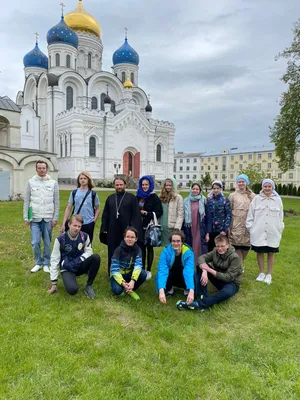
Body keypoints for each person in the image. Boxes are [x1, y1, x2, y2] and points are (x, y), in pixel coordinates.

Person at [176, 234, 242, 311]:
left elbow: (228, 277)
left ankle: (198, 304)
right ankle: (202, 295)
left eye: (222, 246)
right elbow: (201, 258)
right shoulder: (215, 251)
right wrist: (204, 271)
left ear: (228, 245)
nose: (220, 248)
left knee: (226, 293)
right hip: (218, 278)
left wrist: (209, 270)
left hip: (231, 282)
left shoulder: (235, 257)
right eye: (218, 246)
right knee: (200, 266)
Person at [48, 214, 100, 298]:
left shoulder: (85, 237)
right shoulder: (60, 239)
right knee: (72, 290)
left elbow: (89, 252)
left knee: (96, 257)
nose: (77, 228)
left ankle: (89, 286)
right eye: (75, 225)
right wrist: (54, 283)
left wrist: (80, 259)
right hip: (67, 268)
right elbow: (54, 260)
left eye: (79, 226)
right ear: (69, 224)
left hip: (79, 264)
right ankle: (69, 279)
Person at [23, 160, 59, 273]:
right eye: (39, 168)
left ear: (46, 169)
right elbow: (27, 201)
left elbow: (56, 202)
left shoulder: (53, 183)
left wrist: (55, 218)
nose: (42, 170)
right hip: (35, 218)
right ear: (36, 169)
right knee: (35, 242)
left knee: (47, 242)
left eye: (43, 168)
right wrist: (26, 217)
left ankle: (46, 263)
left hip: (48, 218)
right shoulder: (31, 182)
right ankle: (38, 262)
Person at [100, 177, 142, 274]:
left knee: (127, 251)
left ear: (125, 185)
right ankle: (112, 272)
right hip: (112, 230)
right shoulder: (110, 198)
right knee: (112, 251)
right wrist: (104, 229)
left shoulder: (131, 198)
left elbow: (136, 215)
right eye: (117, 185)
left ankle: (127, 272)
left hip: (127, 231)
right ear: (114, 186)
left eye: (121, 185)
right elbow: (105, 215)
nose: (119, 187)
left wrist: (133, 229)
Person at [246, 179, 284, 285]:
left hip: (272, 232)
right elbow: (251, 214)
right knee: (260, 252)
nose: (267, 188)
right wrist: (251, 228)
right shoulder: (257, 199)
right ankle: (262, 273)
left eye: (269, 186)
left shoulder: (278, 200)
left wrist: (280, 228)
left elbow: (281, 216)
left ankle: (269, 274)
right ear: (262, 187)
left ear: (272, 188)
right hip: (259, 231)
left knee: (271, 253)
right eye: (265, 186)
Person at [156, 230, 195, 305]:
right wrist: (161, 290)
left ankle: (186, 288)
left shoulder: (189, 253)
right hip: (171, 276)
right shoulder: (165, 252)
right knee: (160, 274)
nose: (176, 243)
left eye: (178, 241)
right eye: (173, 241)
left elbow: (189, 271)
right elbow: (162, 270)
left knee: (192, 275)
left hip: (182, 276)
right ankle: (169, 289)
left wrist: (191, 290)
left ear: (182, 242)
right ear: (171, 242)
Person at [60, 171, 100, 243]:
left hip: (88, 223)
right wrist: (63, 223)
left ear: (88, 180)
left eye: (85, 178)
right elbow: (68, 208)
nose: (83, 180)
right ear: (78, 180)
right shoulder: (74, 192)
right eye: (81, 178)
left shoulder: (93, 194)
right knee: (73, 243)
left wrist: (94, 221)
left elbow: (98, 208)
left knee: (87, 244)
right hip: (76, 222)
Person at [136, 175, 163, 280]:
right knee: (141, 247)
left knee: (149, 247)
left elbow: (159, 212)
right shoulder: (138, 195)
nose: (144, 186)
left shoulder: (154, 197)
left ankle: (149, 270)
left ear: (150, 185)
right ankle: (141, 269)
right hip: (139, 225)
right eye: (143, 184)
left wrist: (147, 213)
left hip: (149, 225)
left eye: (146, 184)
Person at [110, 227, 147, 300]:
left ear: (136, 239)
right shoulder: (118, 250)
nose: (130, 239)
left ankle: (130, 288)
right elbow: (114, 269)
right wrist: (123, 282)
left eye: (132, 237)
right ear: (124, 238)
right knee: (117, 291)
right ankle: (124, 287)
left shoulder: (138, 250)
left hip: (130, 273)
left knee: (143, 274)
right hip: (118, 274)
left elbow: (138, 266)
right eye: (128, 237)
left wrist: (133, 281)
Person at [228, 174, 255, 267]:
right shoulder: (232, 195)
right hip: (236, 223)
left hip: (248, 224)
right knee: (237, 246)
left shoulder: (252, 195)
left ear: (246, 182)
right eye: (239, 181)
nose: (241, 183)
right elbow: (229, 210)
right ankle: (240, 266)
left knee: (246, 247)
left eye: (243, 181)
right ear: (237, 183)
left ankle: (239, 263)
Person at [183, 183, 211, 261]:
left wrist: (208, 233)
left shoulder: (204, 200)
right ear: (191, 189)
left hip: (200, 229)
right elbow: (183, 217)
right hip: (189, 228)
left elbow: (208, 218)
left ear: (200, 190)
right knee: (189, 247)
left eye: (197, 189)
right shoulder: (186, 201)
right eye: (193, 189)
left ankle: (201, 268)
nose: (195, 190)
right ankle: (190, 267)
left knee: (201, 249)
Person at [207, 180, 231, 252]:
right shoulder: (209, 200)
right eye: (214, 188)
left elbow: (228, 215)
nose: (216, 190)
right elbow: (207, 215)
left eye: (218, 188)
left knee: (222, 249)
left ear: (221, 189)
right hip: (211, 229)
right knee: (211, 249)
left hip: (221, 230)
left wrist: (225, 229)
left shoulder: (225, 200)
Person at [159, 177, 184, 247]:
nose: (168, 187)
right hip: (163, 227)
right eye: (166, 185)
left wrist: (177, 228)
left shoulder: (178, 198)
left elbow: (180, 214)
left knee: (174, 247)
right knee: (166, 248)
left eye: (170, 185)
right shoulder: (160, 197)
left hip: (172, 227)